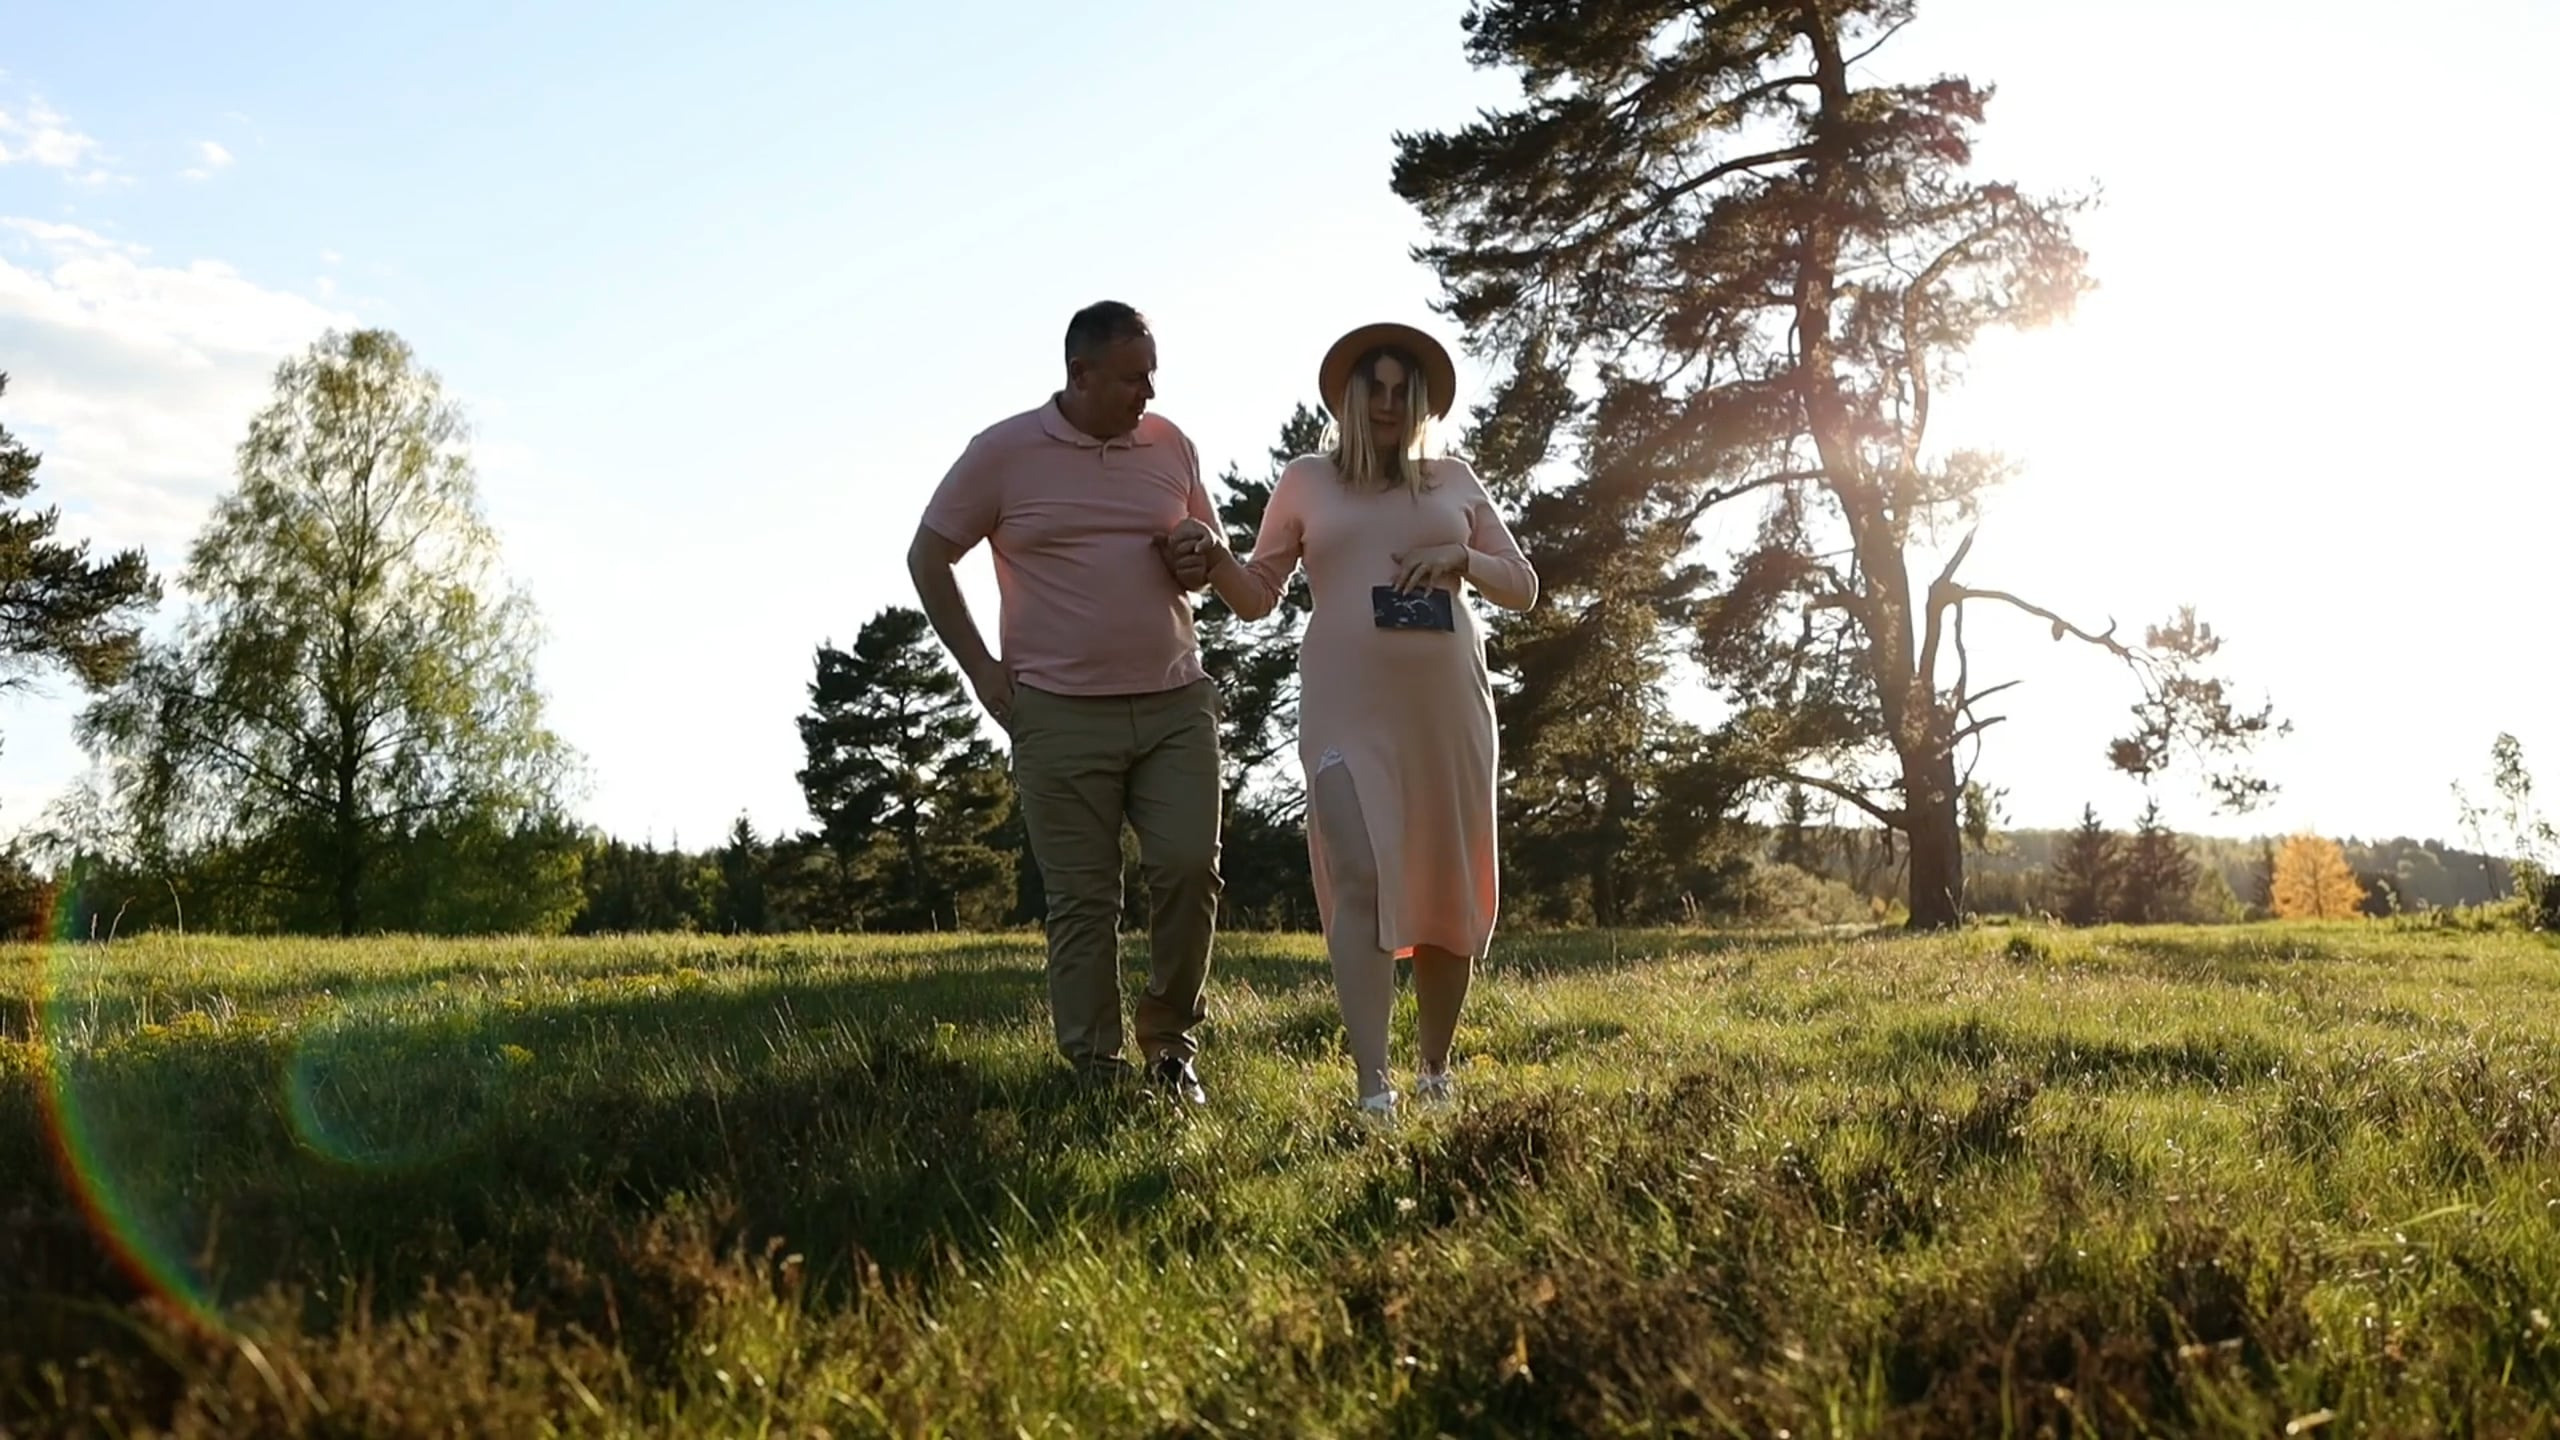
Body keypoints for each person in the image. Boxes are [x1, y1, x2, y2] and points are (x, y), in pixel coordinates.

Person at [1165, 321, 1537, 1116]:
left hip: (1447, 711)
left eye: (1405, 392)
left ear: (1422, 404)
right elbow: (1258, 596)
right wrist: (1218, 560)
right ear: (1350, 400)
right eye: (1377, 390)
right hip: (1344, 708)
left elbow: (1523, 585)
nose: (1390, 405)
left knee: (1443, 886)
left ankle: (1434, 1073)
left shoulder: (1453, 480)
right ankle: (1374, 1089)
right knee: (1360, 875)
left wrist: (1462, 559)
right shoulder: (1307, 481)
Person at [908, 300, 1223, 1104]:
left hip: (1175, 702)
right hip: (1058, 712)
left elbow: (1203, 557)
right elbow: (929, 557)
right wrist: (980, 668)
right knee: (1083, 902)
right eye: (1132, 378)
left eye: (1152, 374)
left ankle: (1170, 1047)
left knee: (1189, 867)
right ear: (1079, 374)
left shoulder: (1171, 445)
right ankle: (1096, 1072)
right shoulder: (1003, 452)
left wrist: (1197, 556)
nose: (1148, 392)